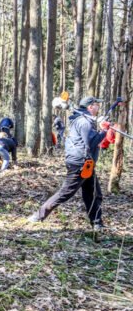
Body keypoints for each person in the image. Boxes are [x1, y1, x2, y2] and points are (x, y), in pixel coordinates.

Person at [29, 97, 111, 230]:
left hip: (86, 162)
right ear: (90, 107)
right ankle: (37, 216)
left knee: (93, 193)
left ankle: (97, 223)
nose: (98, 107)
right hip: (80, 163)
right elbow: (91, 143)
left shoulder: (83, 120)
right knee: (66, 192)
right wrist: (104, 131)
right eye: (96, 105)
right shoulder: (84, 122)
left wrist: (103, 130)